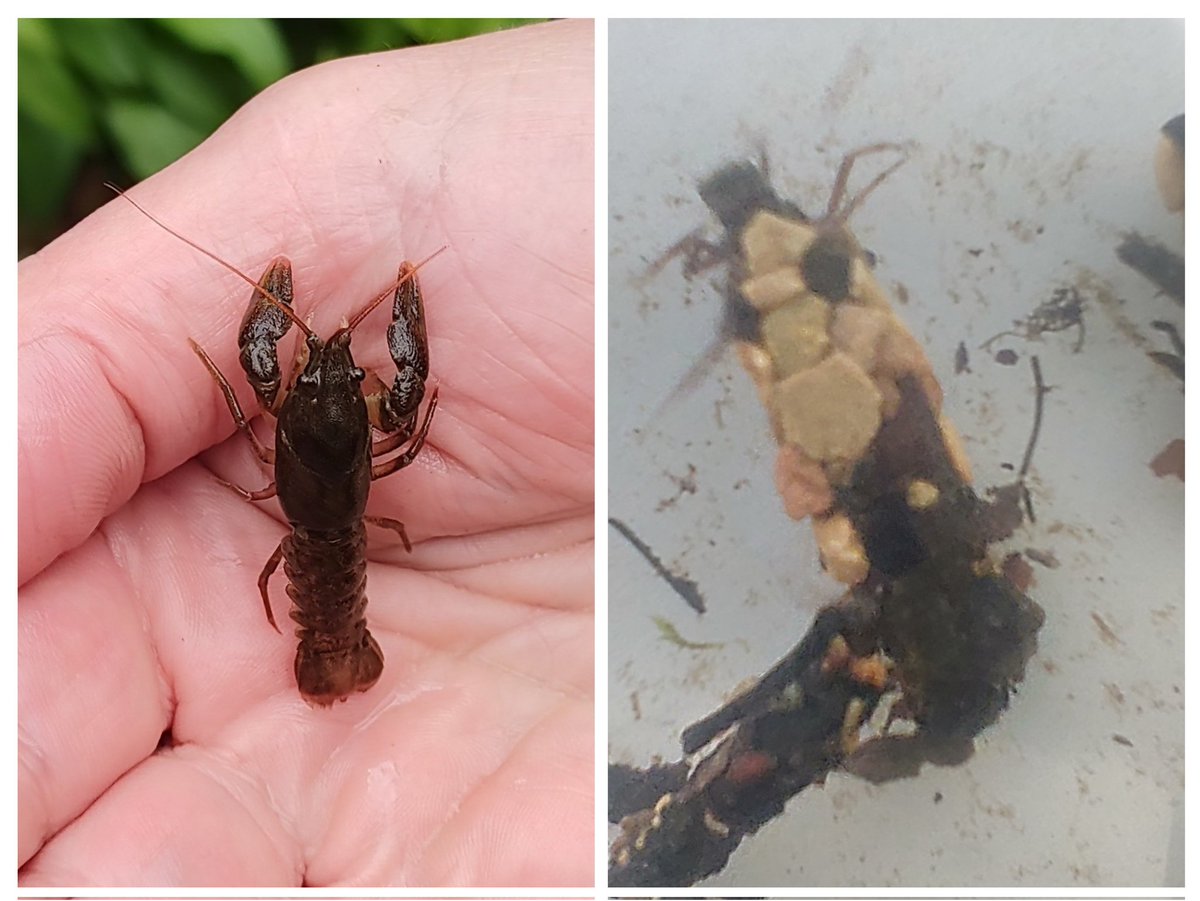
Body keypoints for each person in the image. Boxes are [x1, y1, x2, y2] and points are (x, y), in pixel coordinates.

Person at [17, 19, 594, 887]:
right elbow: (405, 413)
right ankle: (334, 649)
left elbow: (254, 396)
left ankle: (330, 649)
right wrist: (402, 377)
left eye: (325, 376)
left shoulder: (277, 421)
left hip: (330, 554)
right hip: (343, 551)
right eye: (327, 376)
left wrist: (238, 367)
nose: (328, 369)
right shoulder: (376, 428)